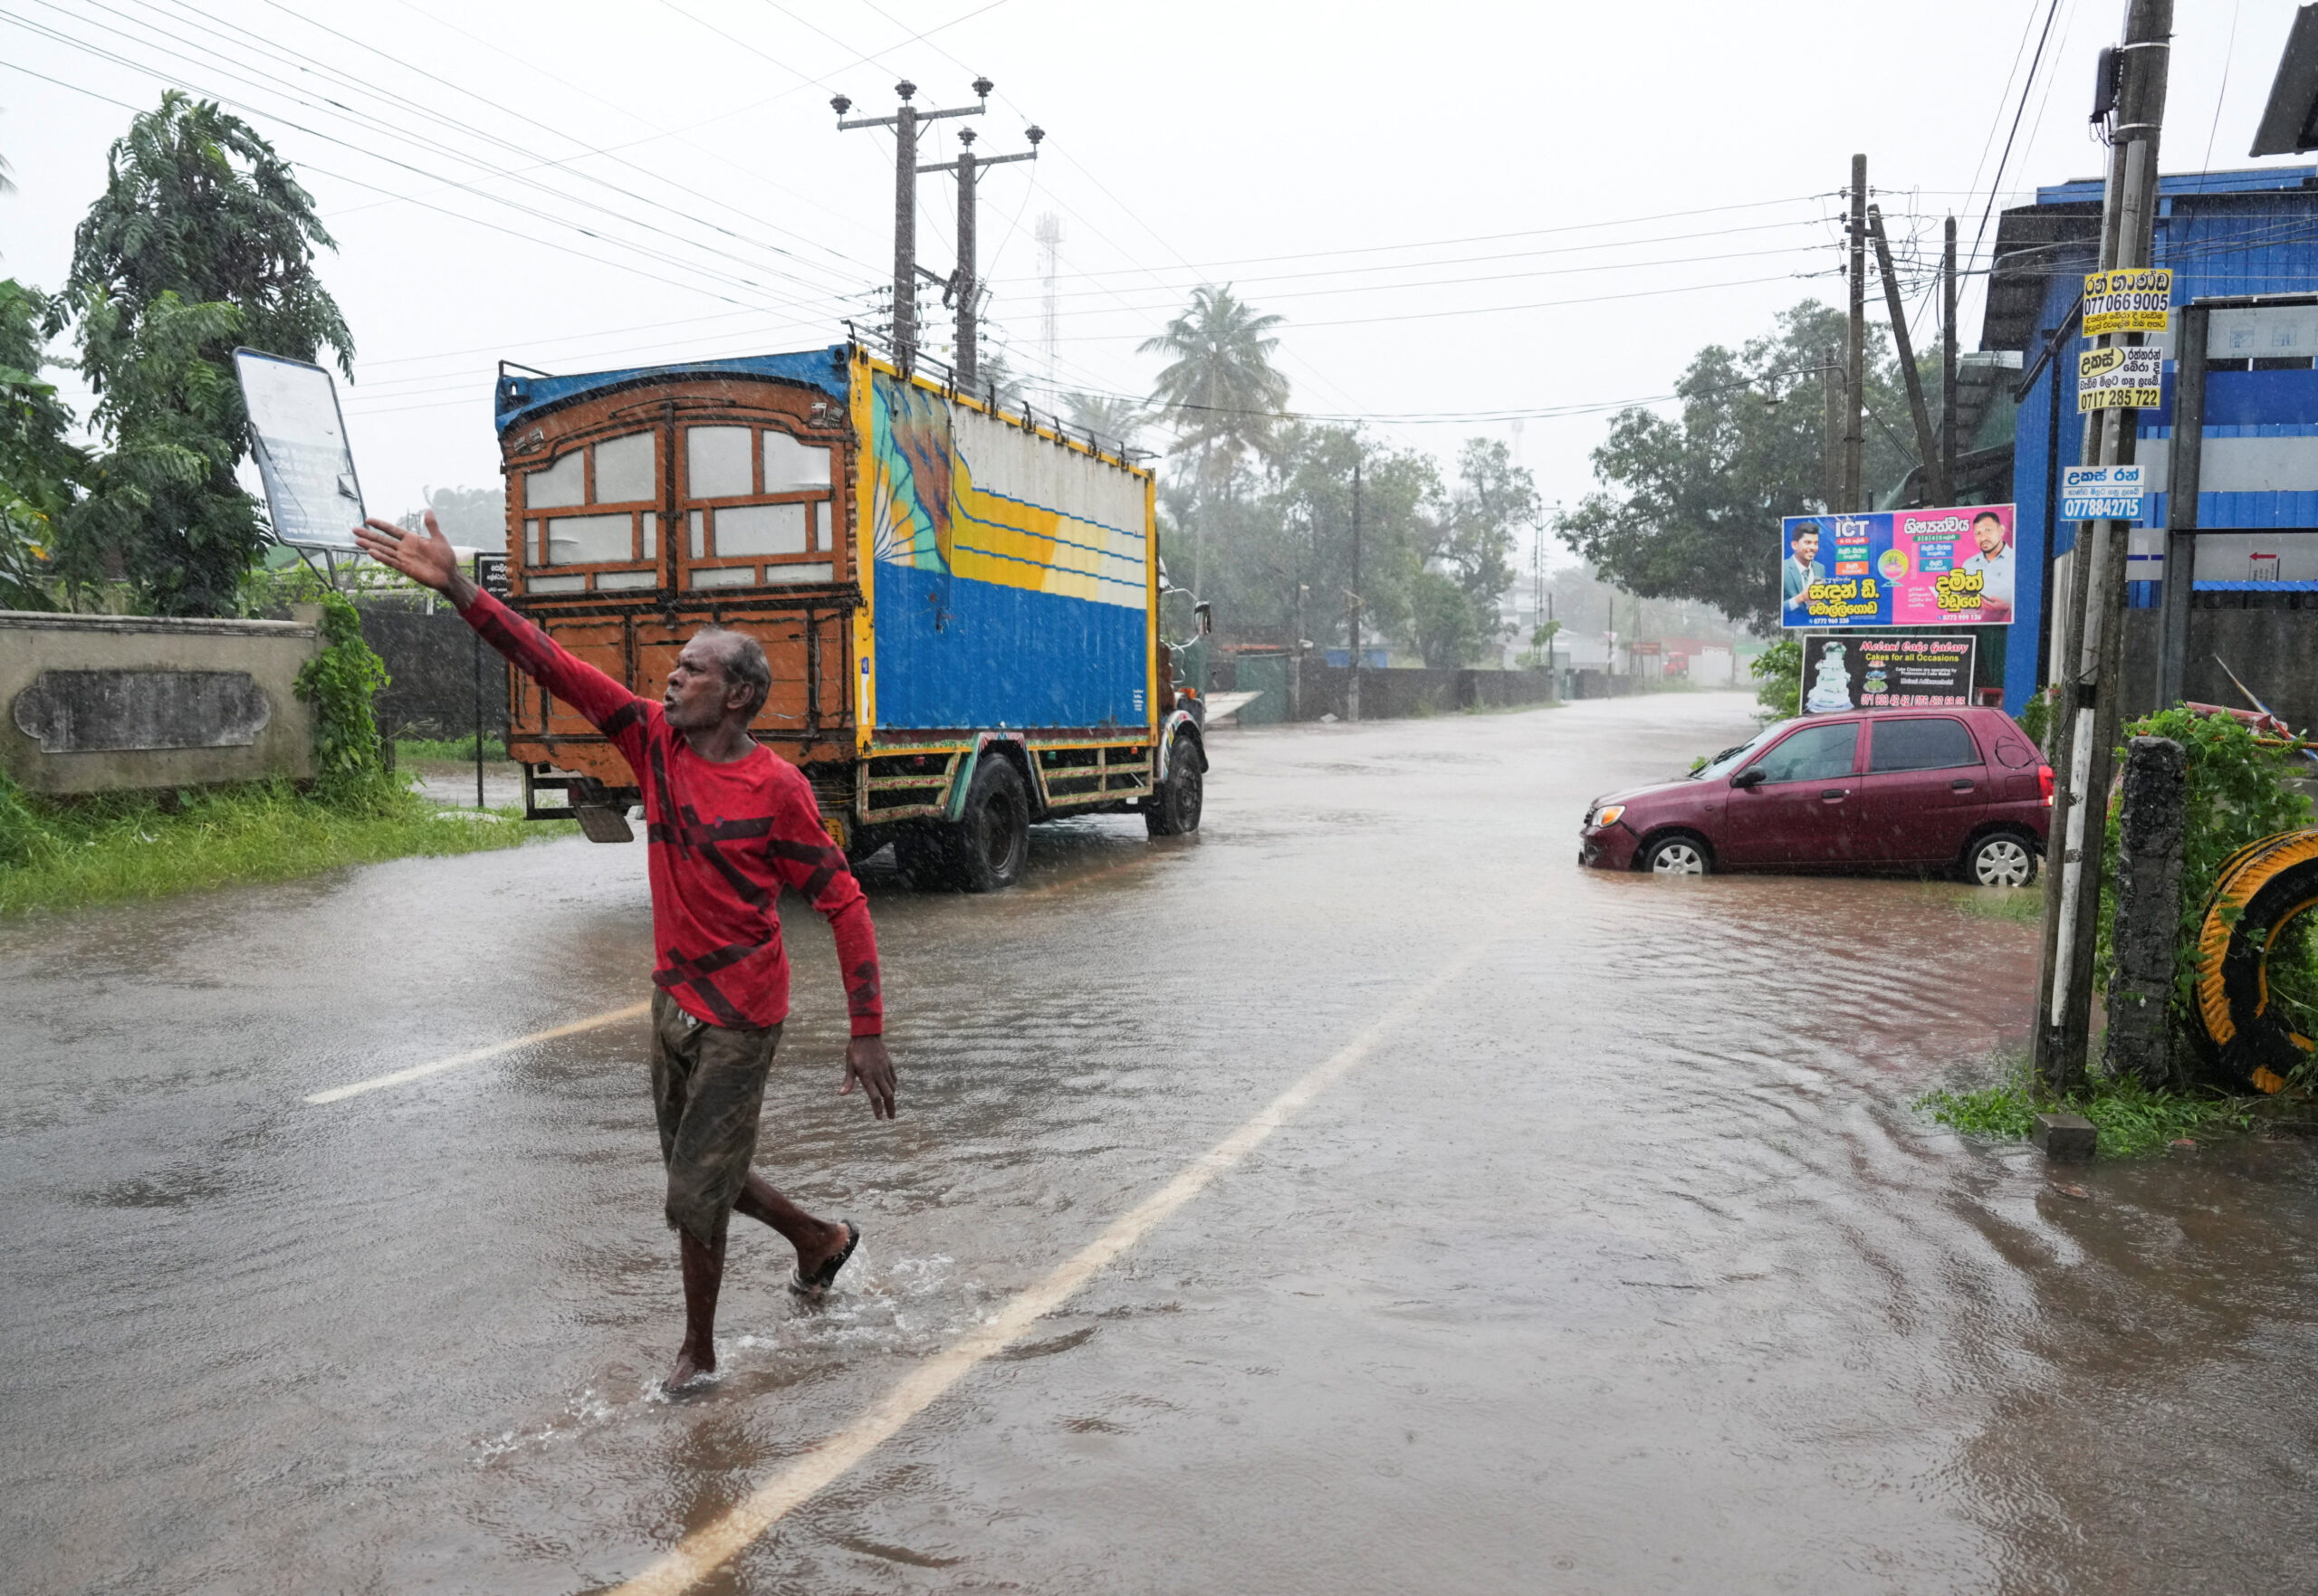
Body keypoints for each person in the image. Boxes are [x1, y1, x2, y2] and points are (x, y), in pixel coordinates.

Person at [352, 511, 896, 1393]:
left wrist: (866, 1029)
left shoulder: (778, 791)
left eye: (694, 670)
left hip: (741, 1015)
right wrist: (457, 585)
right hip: (670, 1000)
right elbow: (549, 662)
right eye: (674, 665)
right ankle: (818, 1239)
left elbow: (841, 898)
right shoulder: (650, 738)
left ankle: (699, 1352)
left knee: (692, 1187)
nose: (671, 677)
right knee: (697, 1169)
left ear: (739, 698)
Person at [1959, 511, 2016, 622]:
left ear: (2001, 530)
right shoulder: (1968, 564)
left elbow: (2030, 601)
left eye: (1988, 531)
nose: (1983, 538)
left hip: (2006, 630)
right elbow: (1963, 607)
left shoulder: (2017, 560)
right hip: (1977, 627)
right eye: (1978, 533)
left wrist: (2007, 607)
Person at [1782, 522, 1825, 616]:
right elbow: (1775, 609)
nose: (1813, 548)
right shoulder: (1783, 568)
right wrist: (1801, 598)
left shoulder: (1820, 568)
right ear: (1794, 545)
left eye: (1816, 543)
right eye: (1808, 543)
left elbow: (1824, 601)